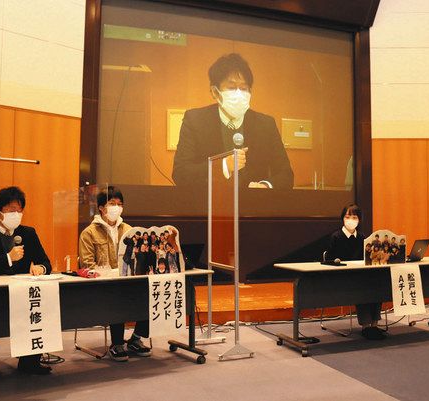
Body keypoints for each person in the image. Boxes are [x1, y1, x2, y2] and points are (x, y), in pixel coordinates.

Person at [0, 186, 52, 387]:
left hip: (21, 293)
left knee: (42, 303)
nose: (17, 214)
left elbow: (45, 262)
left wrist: (40, 268)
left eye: (20, 210)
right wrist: (8, 258)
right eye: (12, 210)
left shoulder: (28, 233)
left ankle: (30, 361)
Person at [172, 53, 294, 189]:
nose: (239, 94)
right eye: (231, 87)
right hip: (209, 201)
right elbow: (180, 173)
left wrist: (266, 186)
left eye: (244, 88)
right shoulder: (195, 120)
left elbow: (286, 175)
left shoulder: (266, 125)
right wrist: (223, 166)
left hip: (255, 201)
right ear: (215, 92)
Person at [78, 186, 152, 361]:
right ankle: (117, 343)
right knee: (117, 294)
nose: (117, 208)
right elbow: (87, 265)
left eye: (120, 204)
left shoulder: (129, 230)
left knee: (150, 292)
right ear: (101, 208)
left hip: (128, 282)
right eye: (112, 204)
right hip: (103, 285)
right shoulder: (89, 233)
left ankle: (136, 338)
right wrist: (113, 273)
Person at [325, 204, 385, 340]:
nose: (350, 220)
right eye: (347, 217)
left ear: (359, 220)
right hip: (343, 276)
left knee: (377, 284)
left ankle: (374, 324)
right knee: (362, 287)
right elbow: (328, 258)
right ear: (342, 218)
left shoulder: (363, 237)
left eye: (354, 217)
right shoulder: (336, 236)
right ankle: (366, 326)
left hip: (360, 273)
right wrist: (335, 260)